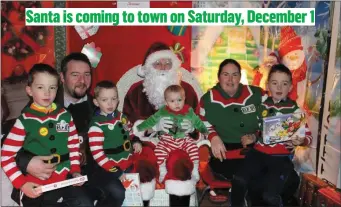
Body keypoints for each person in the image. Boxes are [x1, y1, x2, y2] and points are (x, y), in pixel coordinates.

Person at [198, 59, 301, 205]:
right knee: (255, 179)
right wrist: (213, 137)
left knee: (291, 179)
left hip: (258, 149)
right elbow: (199, 120)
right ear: (219, 76)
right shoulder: (208, 100)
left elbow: (278, 111)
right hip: (226, 154)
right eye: (225, 74)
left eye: (235, 74)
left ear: (240, 76)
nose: (230, 79)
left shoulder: (256, 94)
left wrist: (289, 138)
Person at [11, 53, 108, 206]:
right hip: (46, 178)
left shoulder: (101, 104)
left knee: (115, 193)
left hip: (87, 173)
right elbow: (8, 146)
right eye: (75, 75)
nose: (82, 81)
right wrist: (27, 162)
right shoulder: (39, 105)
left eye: (87, 74)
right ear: (62, 78)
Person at [124, 42, 212, 206]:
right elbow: (127, 125)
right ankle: (143, 201)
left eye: (167, 63)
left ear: (174, 66)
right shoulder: (135, 92)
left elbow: (199, 123)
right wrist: (152, 128)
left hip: (179, 143)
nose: (163, 68)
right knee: (143, 164)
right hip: (146, 144)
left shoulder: (187, 91)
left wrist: (193, 130)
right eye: (158, 63)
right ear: (148, 68)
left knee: (179, 163)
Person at [231, 64, 313, 206]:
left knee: (270, 195)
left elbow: (308, 137)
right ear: (268, 85)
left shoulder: (295, 110)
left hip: (279, 158)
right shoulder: (262, 107)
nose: (279, 88)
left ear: (290, 88)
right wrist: (252, 137)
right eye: (275, 83)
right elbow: (257, 131)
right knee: (239, 180)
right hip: (257, 154)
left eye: (284, 84)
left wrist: (300, 140)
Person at [136, 85, 208, 184]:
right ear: (166, 102)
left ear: (184, 99)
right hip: (167, 140)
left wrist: (201, 130)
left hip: (184, 139)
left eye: (179, 100)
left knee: (193, 148)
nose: (177, 104)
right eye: (172, 101)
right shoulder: (162, 112)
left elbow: (197, 122)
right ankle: (162, 170)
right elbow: (151, 120)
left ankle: (195, 169)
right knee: (159, 150)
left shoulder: (188, 111)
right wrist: (142, 127)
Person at [88, 80, 143, 206]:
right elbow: (98, 156)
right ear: (96, 102)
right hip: (108, 168)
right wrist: (116, 172)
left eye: (113, 98)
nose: (110, 103)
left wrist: (135, 141)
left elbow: (129, 133)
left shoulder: (121, 117)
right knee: (119, 193)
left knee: (135, 191)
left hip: (127, 163)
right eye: (104, 99)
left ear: (118, 99)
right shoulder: (96, 126)